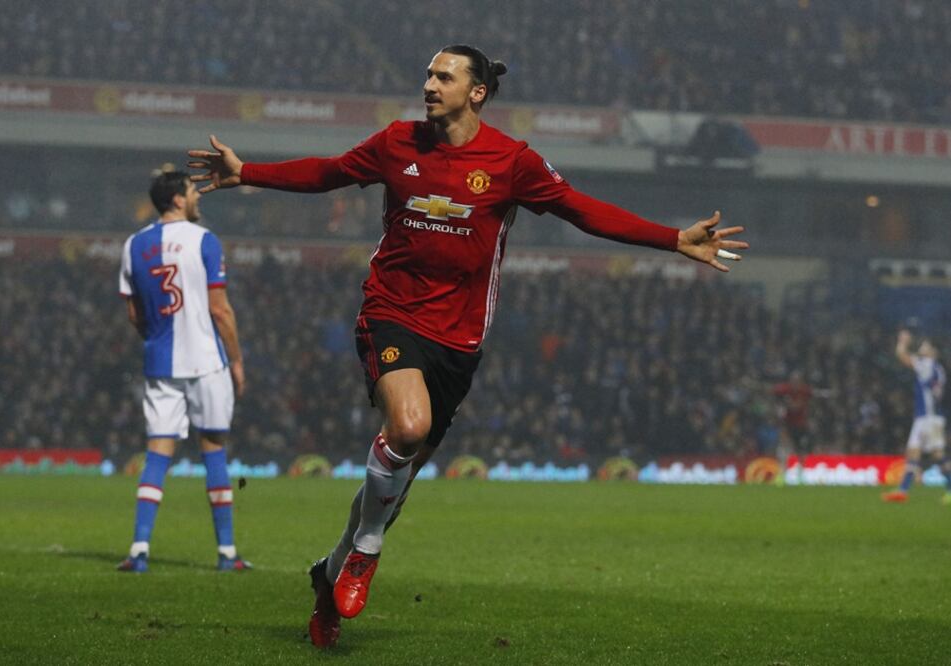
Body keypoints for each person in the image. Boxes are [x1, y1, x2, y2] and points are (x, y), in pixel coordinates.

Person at [187, 45, 747, 647]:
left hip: (459, 339)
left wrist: (672, 239)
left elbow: (581, 211)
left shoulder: (511, 161)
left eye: (443, 76)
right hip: (392, 313)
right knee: (405, 427)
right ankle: (367, 551)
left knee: (396, 479)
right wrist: (248, 173)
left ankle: (330, 574)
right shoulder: (398, 142)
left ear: (476, 91)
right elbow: (328, 172)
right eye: (428, 73)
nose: (429, 83)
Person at [116, 170, 250, 572]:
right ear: (177, 199)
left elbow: (134, 312)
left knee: (158, 452)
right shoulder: (205, 240)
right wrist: (237, 360)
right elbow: (219, 309)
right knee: (213, 449)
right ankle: (227, 554)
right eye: (193, 192)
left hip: (160, 362)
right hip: (207, 362)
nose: (197, 198)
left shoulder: (134, 244)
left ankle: (139, 550)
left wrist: (155, 337)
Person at [882, 330, 948, 503]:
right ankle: (902, 491)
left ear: (933, 351)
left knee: (937, 455)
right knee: (915, 453)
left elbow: (902, 356)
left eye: (925, 345)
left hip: (928, 418)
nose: (922, 347)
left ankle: (905, 490)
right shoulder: (939, 369)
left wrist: (903, 341)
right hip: (930, 417)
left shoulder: (927, 363)